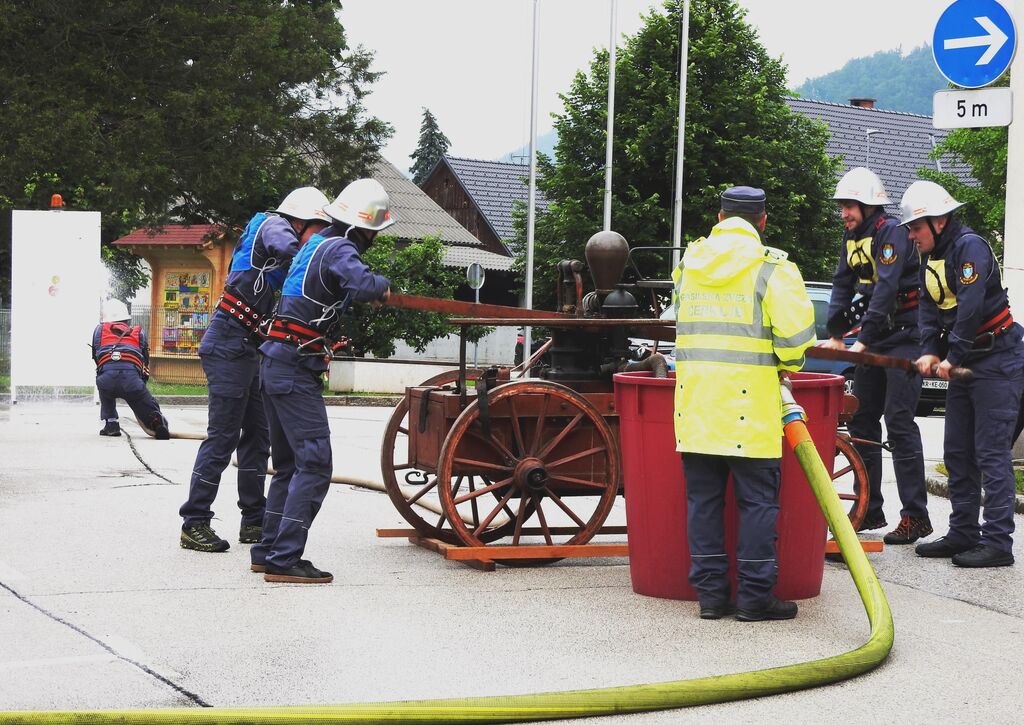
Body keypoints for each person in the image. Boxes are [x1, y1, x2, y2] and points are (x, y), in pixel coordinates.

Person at [672, 186, 816, 621]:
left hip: (696, 407)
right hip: (750, 410)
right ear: (763, 220)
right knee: (757, 504)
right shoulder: (772, 267)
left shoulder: (689, 263)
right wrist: (786, 363)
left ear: (720, 217)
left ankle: (711, 598)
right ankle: (754, 598)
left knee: (703, 504)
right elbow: (795, 342)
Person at [252, 179, 392, 583]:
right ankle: (284, 559)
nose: (372, 241)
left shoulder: (313, 244)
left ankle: (267, 551)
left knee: (288, 465)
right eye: (374, 233)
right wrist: (383, 287)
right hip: (295, 368)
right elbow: (362, 284)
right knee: (314, 463)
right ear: (362, 228)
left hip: (275, 361)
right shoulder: (340, 247)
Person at [179, 188, 332, 553]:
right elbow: (287, 247)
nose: (319, 238)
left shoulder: (286, 236)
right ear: (300, 221)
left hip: (249, 346)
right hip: (227, 343)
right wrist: (323, 261)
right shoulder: (272, 224)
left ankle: (253, 518)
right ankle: (194, 521)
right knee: (223, 437)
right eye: (318, 229)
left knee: (258, 438)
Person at [904, 180, 1021, 568]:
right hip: (967, 362)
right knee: (957, 452)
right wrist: (929, 350)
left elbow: (970, 308)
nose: (911, 235)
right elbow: (926, 307)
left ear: (939, 222)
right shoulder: (930, 256)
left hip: (998, 358)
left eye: (915, 227)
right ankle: (963, 532)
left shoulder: (970, 248)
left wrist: (951, 356)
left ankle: (998, 543)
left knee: (991, 453)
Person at [821, 167, 931, 545]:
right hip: (877, 339)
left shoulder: (891, 233)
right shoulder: (851, 237)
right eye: (842, 207)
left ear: (869, 207)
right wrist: (836, 334)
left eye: (849, 206)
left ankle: (916, 516)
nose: (844, 214)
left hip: (906, 337)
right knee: (862, 420)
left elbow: (885, 288)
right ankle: (870, 508)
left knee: (899, 422)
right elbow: (842, 283)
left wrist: (862, 341)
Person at [92, 298, 169, 440]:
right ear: (127, 319)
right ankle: (156, 421)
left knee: (103, 383)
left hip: (107, 380)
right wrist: (141, 385)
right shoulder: (139, 333)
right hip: (132, 381)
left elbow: (97, 358)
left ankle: (111, 424)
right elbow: (144, 361)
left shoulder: (99, 331)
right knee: (144, 401)